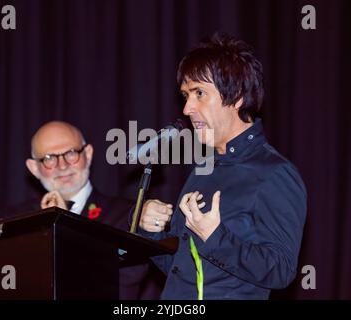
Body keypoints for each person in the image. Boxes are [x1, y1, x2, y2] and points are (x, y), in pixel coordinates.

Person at [137, 33, 307, 299]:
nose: (187, 108)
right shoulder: (203, 168)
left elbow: (281, 269)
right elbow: (180, 271)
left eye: (199, 94)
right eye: (185, 95)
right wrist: (151, 233)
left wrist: (215, 237)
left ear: (236, 95)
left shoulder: (274, 173)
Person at [23, 120, 150, 299]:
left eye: (71, 153)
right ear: (34, 168)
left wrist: (64, 225)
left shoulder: (128, 215)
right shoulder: (17, 220)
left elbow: (122, 286)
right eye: (49, 158)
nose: (62, 165)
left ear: (88, 154)